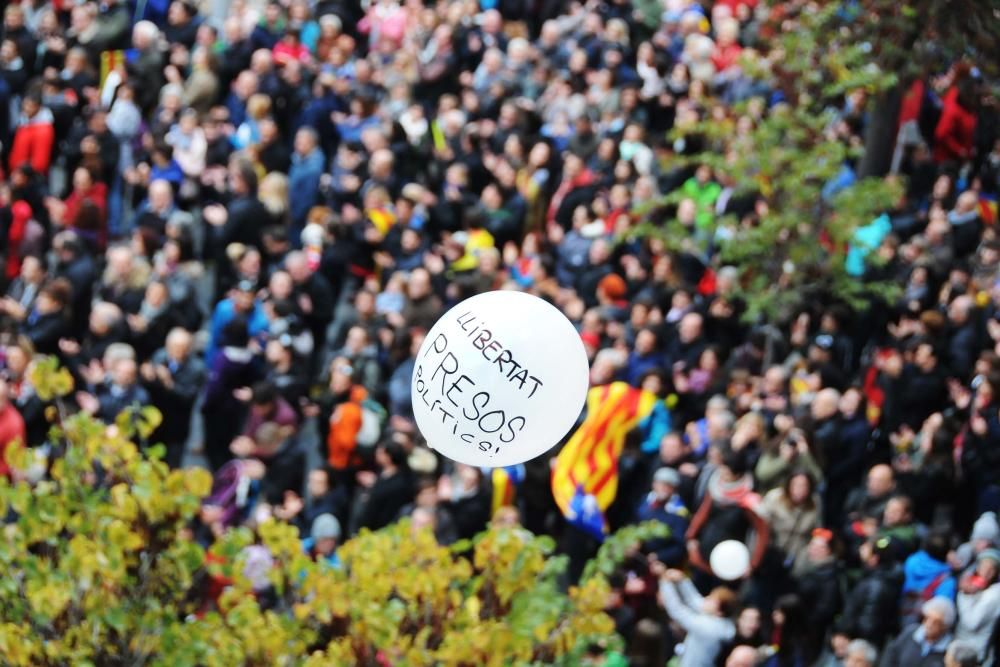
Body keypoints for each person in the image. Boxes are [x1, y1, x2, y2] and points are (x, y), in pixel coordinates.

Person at [654, 565, 736, 667]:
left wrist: (664, 582)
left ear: (720, 612)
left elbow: (677, 610)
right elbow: (695, 601)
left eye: (712, 600)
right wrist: (682, 580)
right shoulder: (720, 623)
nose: (707, 599)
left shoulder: (710, 628)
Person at [879, 597, 956, 667]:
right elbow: (891, 655)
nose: (929, 624)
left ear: (945, 626)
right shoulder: (911, 632)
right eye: (926, 618)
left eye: (935, 622)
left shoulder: (950, 649)